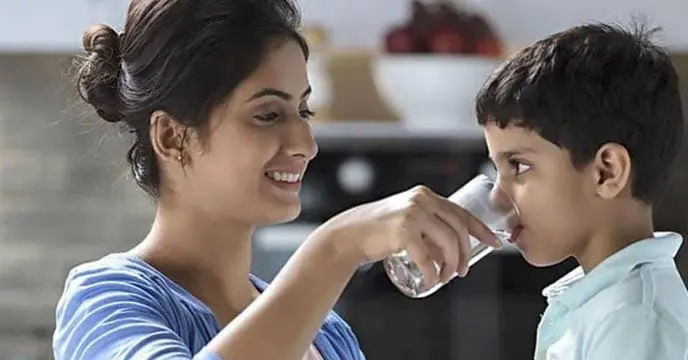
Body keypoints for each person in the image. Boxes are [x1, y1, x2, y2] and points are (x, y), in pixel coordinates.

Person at [51, 0, 501, 359]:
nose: (305, 143)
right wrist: (336, 247)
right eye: (268, 114)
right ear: (171, 136)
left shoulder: (325, 333)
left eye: (304, 111)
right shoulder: (106, 301)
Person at [475, 22, 688, 359]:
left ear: (607, 171)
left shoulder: (633, 319)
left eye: (519, 166)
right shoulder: (603, 303)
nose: (498, 199)